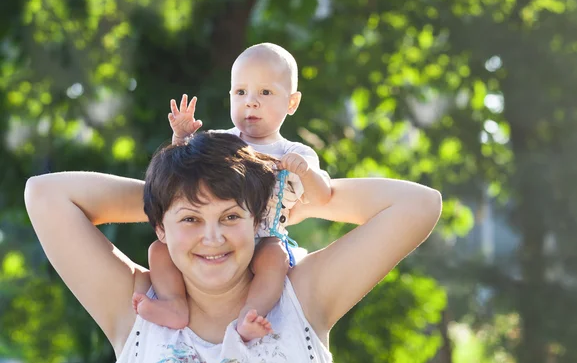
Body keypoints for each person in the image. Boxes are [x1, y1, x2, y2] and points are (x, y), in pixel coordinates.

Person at [24, 131, 442, 362]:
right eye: (191, 220)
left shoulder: (302, 297)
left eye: (230, 216)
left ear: (253, 217)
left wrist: (289, 202)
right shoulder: (135, 307)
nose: (212, 237)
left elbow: (419, 205)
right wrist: (168, 195)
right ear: (161, 227)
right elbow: (44, 195)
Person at [133, 42, 332, 341]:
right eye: (241, 92)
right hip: (218, 230)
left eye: (265, 93)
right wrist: (182, 138)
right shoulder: (221, 142)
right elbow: (181, 178)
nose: (251, 102)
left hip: (265, 237)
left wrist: (304, 171)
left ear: (291, 103)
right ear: (230, 97)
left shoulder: (295, 152)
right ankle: (174, 304)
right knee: (158, 250)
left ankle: (250, 314)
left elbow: (322, 198)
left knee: (274, 260)